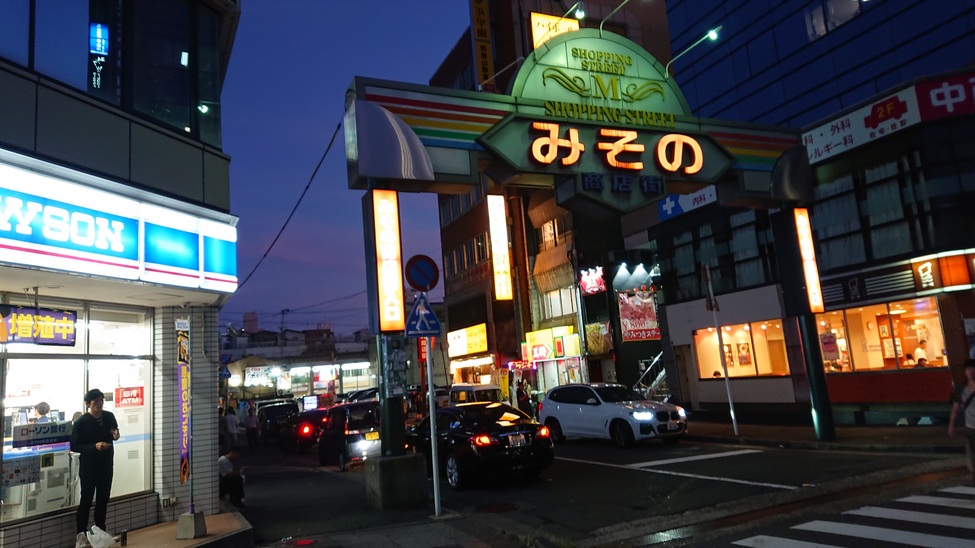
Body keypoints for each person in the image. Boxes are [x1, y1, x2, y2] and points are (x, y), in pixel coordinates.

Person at [71, 389, 120, 548]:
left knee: (103, 498)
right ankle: (81, 535)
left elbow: (115, 431)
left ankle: (101, 531)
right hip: (89, 466)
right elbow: (75, 445)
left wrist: (115, 434)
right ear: (88, 404)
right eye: (96, 401)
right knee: (86, 499)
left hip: (106, 464)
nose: (99, 404)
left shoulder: (109, 416)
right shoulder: (81, 422)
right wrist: (94, 447)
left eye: (101, 400)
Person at [950, 359, 975, 485]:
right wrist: (951, 425)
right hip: (970, 427)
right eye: (968, 369)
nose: (971, 372)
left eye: (973, 369)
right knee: (973, 455)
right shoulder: (961, 388)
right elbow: (955, 408)